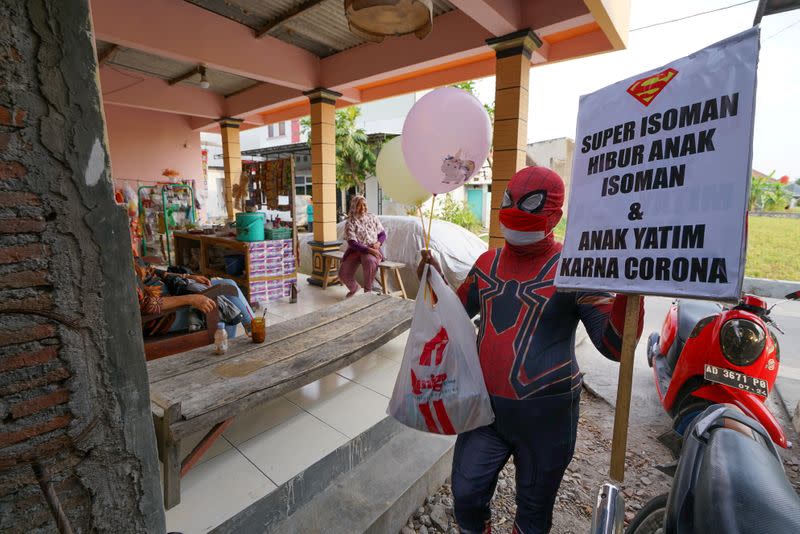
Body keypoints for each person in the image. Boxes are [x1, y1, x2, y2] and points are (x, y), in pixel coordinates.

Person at [418, 166, 644, 534]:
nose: (514, 211)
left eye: (530, 204)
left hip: (547, 417)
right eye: (509, 200)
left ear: (554, 213)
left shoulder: (575, 270)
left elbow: (614, 345)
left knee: (533, 514)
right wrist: (434, 283)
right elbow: (454, 316)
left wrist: (630, 293)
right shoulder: (486, 263)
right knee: (466, 496)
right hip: (485, 410)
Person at [135, 257, 254, 339]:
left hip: (172, 293)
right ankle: (227, 353)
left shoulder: (131, 258)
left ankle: (252, 327)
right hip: (162, 317)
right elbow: (145, 305)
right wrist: (190, 299)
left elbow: (151, 270)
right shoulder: (123, 270)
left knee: (228, 283)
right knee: (221, 310)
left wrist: (187, 276)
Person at [339, 195, 386, 297]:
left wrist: (378, 243)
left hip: (373, 248)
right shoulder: (350, 221)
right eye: (359, 206)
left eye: (364, 205)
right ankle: (354, 288)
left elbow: (382, 234)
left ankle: (367, 293)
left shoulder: (372, 217)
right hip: (356, 250)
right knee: (343, 273)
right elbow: (352, 243)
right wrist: (369, 250)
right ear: (354, 206)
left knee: (369, 261)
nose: (363, 208)